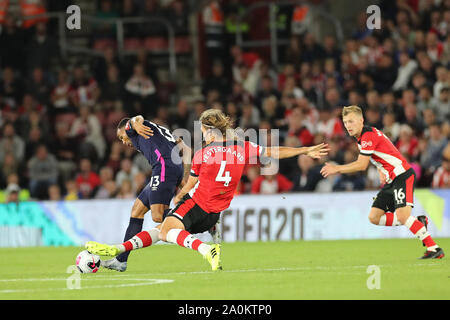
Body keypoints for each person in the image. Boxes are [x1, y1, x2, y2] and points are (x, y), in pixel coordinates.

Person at [86, 109, 329, 271]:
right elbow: (273, 151)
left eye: (202, 129)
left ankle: (202, 248)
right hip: (215, 213)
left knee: (164, 229)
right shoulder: (243, 147)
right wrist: (304, 150)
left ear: (208, 130)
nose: (201, 133)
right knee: (163, 227)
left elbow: (190, 185)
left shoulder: (204, 154)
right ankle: (119, 253)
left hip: (196, 205)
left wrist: (180, 195)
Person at [320, 105, 444, 259]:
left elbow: (361, 164)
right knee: (374, 217)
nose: (348, 126)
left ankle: (434, 248)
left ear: (361, 120)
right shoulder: (363, 137)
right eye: (345, 122)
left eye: (351, 121)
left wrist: (337, 168)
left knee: (403, 216)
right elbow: (383, 151)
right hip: (391, 179)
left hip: (402, 175)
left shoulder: (367, 136)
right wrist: (381, 170)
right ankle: (418, 223)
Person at [99, 115, 191, 272]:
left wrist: (136, 124)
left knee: (157, 216)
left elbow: (136, 118)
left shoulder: (134, 130)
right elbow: (187, 149)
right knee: (137, 210)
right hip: (168, 167)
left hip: (163, 167)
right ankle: (121, 261)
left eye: (121, 136)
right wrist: (184, 176)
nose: (123, 141)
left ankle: (193, 219)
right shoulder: (161, 131)